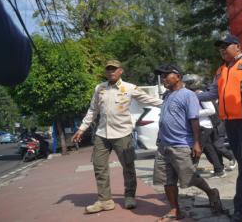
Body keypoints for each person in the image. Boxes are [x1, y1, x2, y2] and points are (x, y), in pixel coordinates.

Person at [71, 60, 163, 213]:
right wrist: (81, 129)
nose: (111, 72)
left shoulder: (130, 88)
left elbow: (149, 100)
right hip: (102, 134)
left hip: (123, 134)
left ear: (120, 71)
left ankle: (129, 196)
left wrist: (170, 102)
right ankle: (105, 200)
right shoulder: (99, 88)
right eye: (108, 69)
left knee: (128, 167)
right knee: (99, 166)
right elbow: (93, 110)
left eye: (114, 69)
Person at [197, 34, 242, 222]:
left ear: (238, 46)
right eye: (220, 47)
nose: (222, 50)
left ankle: (241, 208)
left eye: (226, 46)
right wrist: (189, 96)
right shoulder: (220, 70)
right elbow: (212, 93)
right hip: (230, 123)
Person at [152, 65, 222, 221]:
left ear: (178, 76)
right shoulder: (167, 95)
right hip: (164, 145)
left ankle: (211, 192)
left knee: (190, 177)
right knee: (167, 179)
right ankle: (175, 210)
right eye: (161, 76)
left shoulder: (188, 95)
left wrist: (197, 143)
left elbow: (194, 120)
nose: (163, 78)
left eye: (166, 75)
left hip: (182, 144)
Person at [183, 73, 228, 178]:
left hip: (204, 126)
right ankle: (219, 170)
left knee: (196, 150)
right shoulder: (191, 95)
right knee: (209, 150)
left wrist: (194, 114)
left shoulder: (200, 94)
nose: (185, 86)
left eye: (187, 83)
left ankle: (188, 174)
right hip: (200, 126)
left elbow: (211, 110)